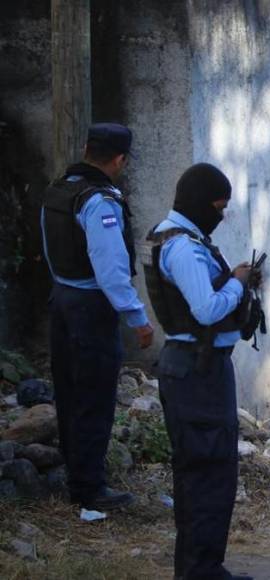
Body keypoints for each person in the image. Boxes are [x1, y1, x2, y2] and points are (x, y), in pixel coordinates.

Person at [145, 163, 256, 580]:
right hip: (197, 372)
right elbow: (206, 309)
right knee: (206, 473)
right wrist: (239, 282)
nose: (221, 215)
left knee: (206, 472)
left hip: (199, 369)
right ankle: (200, 570)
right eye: (218, 206)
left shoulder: (181, 237)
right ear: (199, 202)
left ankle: (201, 567)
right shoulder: (183, 248)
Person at [41, 122, 154, 511]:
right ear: (119, 160)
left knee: (70, 394)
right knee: (94, 399)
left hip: (61, 301)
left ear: (87, 147)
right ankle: (89, 488)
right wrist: (137, 318)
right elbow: (111, 272)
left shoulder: (58, 190)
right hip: (90, 309)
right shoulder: (99, 201)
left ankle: (78, 477)